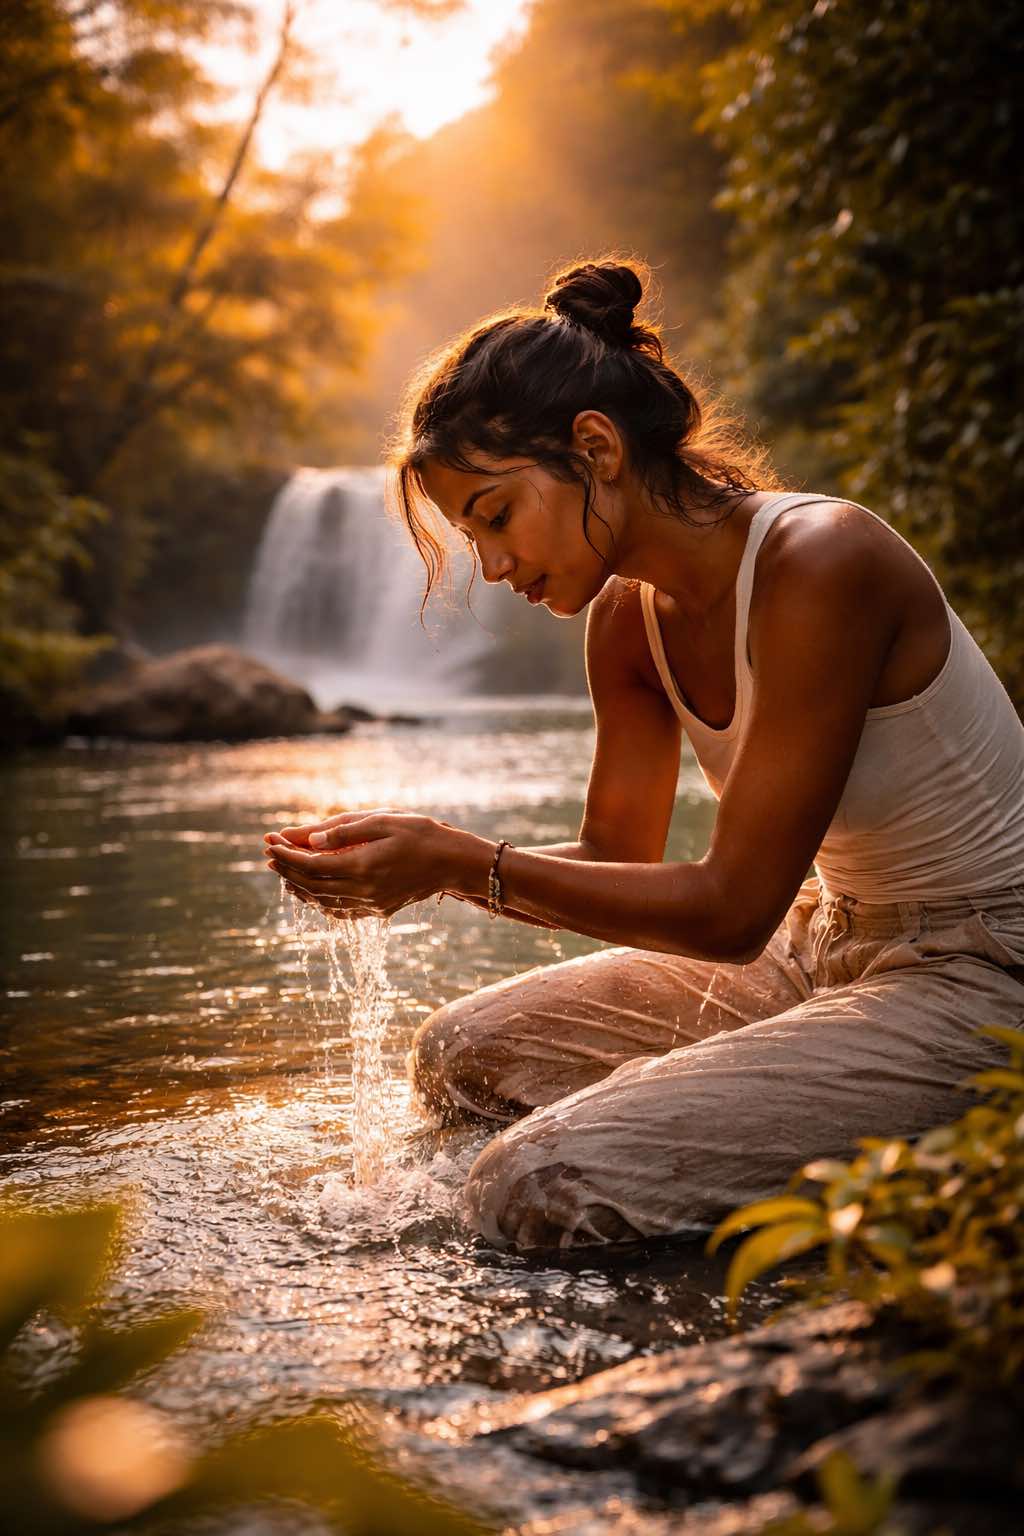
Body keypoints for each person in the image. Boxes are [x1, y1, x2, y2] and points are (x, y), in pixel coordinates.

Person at [265, 260, 1024, 1252]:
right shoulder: (627, 617)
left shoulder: (823, 562)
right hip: (819, 942)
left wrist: (458, 862)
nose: (490, 568)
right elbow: (618, 852)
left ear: (595, 447)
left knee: (531, 1188)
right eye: (469, 538)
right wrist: (416, 866)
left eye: (495, 516)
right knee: (457, 1057)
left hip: (983, 970)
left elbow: (729, 911)